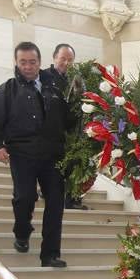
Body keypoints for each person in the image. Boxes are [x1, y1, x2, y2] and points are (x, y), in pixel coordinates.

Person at [0, 41, 74, 268]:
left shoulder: (56, 87)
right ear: (16, 62)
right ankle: (22, 232)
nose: (28, 66)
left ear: (40, 62)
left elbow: (70, 119)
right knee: (24, 198)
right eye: (23, 62)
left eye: (32, 62)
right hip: (22, 153)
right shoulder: (6, 91)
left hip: (53, 155)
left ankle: (50, 254)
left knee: (55, 202)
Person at [46, 43, 89, 211]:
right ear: (55, 57)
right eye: (63, 58)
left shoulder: (75, 79)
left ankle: (71, 199)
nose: (66, 63)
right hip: (51, 133)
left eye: (70, 60)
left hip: (71, 132)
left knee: (73, 164)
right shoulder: (44, 77)